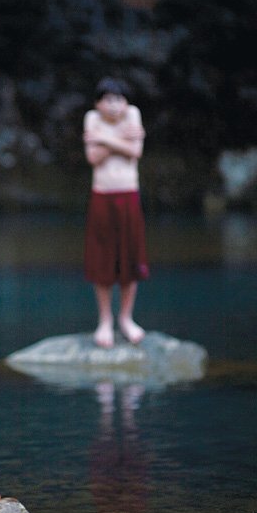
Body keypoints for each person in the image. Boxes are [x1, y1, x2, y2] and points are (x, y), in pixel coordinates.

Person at [82, 77, 149, 348]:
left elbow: (136, 151)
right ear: (97, 103)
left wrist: (104, 140)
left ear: (126, 102)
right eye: (107, 99)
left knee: (131, 256)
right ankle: (105, 321)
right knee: (102, 258)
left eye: (119, 99)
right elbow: (93, 158)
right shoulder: (91, 119)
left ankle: (126, 318)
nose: (114, 105)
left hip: (128, 193)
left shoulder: (133, 114)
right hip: (102, 195)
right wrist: (120, 140)